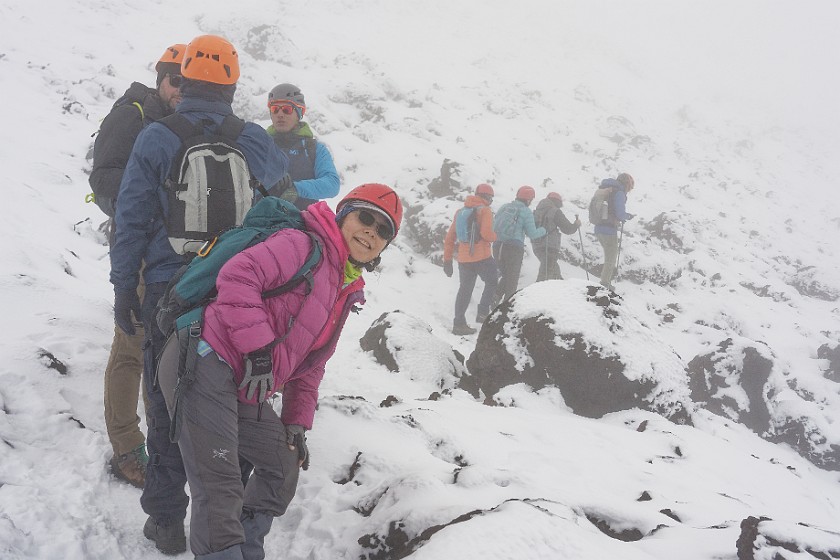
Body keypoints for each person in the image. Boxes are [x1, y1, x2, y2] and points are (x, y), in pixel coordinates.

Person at [109, 34, 288, 555]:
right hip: (236, 291)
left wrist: (125, 286)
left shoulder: (159, 136)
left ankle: (166, 521)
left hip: (168, 290)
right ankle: (228, 514)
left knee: (165, 404)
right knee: (234, 401)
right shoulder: (252, 139)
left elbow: (132, 216)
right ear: (232, 85)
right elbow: (276, 188)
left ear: (183, 79)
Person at [156, 183, 403, 560]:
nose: (372, 231)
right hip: (202, 358)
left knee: (282, 462)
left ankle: (247, 550)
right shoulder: (301, 244)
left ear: (385, 246)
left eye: (384, 229)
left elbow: (310, 367)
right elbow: (239, 276)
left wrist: (296, 423)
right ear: (343, 216)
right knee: (219, 484)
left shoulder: (342, 287)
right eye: (365, 217)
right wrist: (258, 350)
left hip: (243, 381)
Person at [89, 42, 186, 489]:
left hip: (179, 257)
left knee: (162, 351)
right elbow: (103, 178)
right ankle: (127, 446)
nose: (181, 90)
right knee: (132, 347)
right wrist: (145, 199)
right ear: (161, 79)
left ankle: (164, 441)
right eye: (175, 80)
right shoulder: (133, 115)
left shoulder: (185, 126)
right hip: (142, 250)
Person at [265, 83, 340, 209]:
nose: (280, 114)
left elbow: (332, 184)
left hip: (302, 224)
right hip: (261, 223)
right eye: (275, 109)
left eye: (287, 109)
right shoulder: (260, 146)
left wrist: (296, 189)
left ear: (299, 113)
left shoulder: (314, 149)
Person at [442, 183, 498, 335]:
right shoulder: (485, 211)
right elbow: (487, 234)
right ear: (487, 197)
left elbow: (450, 238)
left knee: (465, 290)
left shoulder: (460, 212)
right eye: (491, 197)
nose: (491, 200)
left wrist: (447, 260)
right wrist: (495, 236)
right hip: (482, 257)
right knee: (492, 280)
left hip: (464, 259)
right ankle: (482, 312)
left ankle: (459, 324)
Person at [492, 185, 546, 303]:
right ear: (528, 199)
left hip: (497, 245)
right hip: (514, 248)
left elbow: (494, 225)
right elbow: (532, 233)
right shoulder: (526, 211)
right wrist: (543, 230)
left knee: (506, 275)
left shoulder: (504, 207)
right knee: (512, 279)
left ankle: (495, 297)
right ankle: (507, 309)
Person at [594, 173, 635, 289]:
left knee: (609, 255)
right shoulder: (619, 192)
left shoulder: (607, 189)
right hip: (609, 230)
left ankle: (605, 282)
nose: (629, 190)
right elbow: (620, 213)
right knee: (611, 257)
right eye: (630, 187)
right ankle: (605, 284)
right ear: (626, 184)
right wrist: (627, 216)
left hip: (598, 227)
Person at [532, 192, 581, 282]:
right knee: (546, 275)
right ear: (557, 202)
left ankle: (559, 289)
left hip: (536, 246)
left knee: (553, 272)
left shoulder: (536, 211)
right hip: (550, 246)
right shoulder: (554, 211)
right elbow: (567, 229)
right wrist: (576, 225)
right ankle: (538, 293)